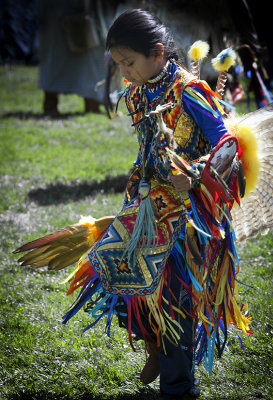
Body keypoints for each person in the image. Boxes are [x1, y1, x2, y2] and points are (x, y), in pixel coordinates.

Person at [14, 8, 253, 400]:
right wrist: (136, 186)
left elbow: (228, 144)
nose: (124, 72)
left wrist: (193, 174)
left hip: (187, 214)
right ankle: (154, 344)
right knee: (110, 273)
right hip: (146, 205)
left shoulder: (191, 92)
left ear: (158, 53)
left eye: (129, 62)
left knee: (174, 298)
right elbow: (148, 148)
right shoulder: (141, 90)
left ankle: (179, 388)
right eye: (119, 63)